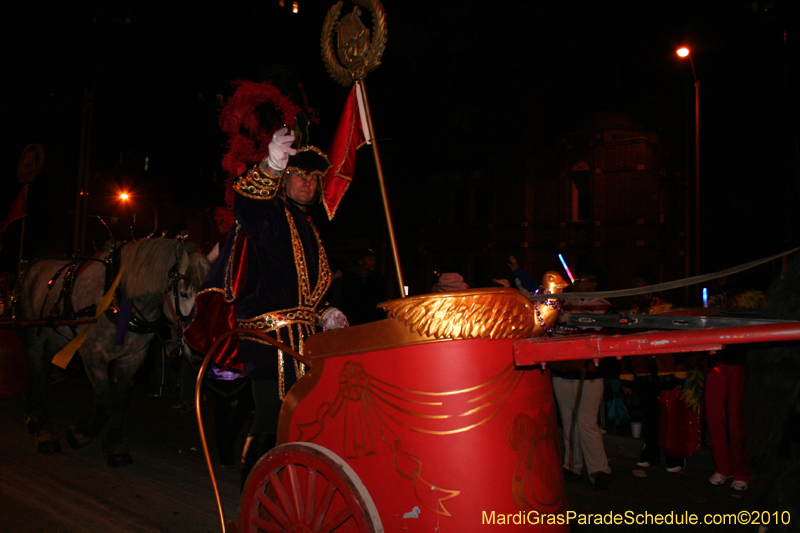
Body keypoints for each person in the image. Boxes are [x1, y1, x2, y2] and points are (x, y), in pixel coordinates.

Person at [184, 77, 348, 487]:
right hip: (269, 339)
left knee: (303, 418)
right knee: (273, 416)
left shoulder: (307, 226)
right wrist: (271, 165)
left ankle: (284, 489)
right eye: (298, 174)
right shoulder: (271, 213)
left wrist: (327, 311)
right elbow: (248, 205)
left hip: (304, 340)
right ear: (285, 177)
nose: (307, 183)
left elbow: (308, 289)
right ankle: (254, 494)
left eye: (313, 178)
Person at [549, 272, 614, 489]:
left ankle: (599, 470)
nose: (579, 283)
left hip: (588, 370)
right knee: (568, 420)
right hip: (562, 367)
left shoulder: (603, 305)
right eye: (577, 280)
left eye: (584, 279)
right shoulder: (565, 303)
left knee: (586, 422)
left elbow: (594, 331)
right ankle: (571, 465)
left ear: (595, 283)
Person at [339, 248, 388, 325]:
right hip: (354, 320)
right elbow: (345, 299)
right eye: (370, 260)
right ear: (361, 261)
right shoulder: (350, 277)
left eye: (374, 260)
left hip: (373, 319)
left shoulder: (378, 278)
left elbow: (382, 297)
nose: (373, 262)